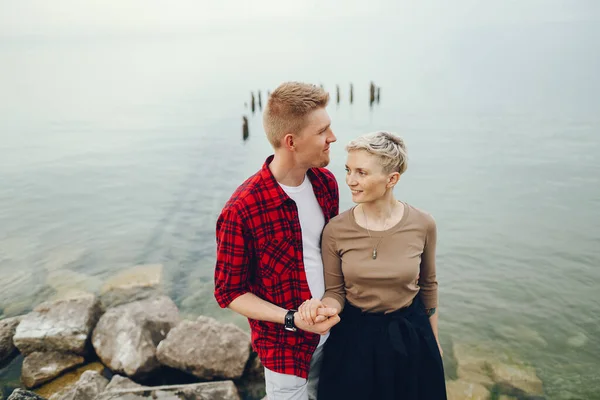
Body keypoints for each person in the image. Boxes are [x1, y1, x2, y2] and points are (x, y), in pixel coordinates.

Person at [214, 81, 341, 400]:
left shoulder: (326, 183)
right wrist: (292, 318)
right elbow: (229, 292)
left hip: (336, 336)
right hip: (286, 353)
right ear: (291, 141)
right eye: (323, 130)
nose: (333, 138)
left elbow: (330, 258)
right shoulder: (241, 210)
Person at [299, 131, 447, 399]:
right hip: (353, 339)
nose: (350, 181)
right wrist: (323, 308)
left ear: (392, 179)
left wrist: (433, 341)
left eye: (361, 173)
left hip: (410, 334)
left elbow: (428, 285)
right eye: (348, 170)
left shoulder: (423, 224)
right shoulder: (335, 230)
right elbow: (335, 292)